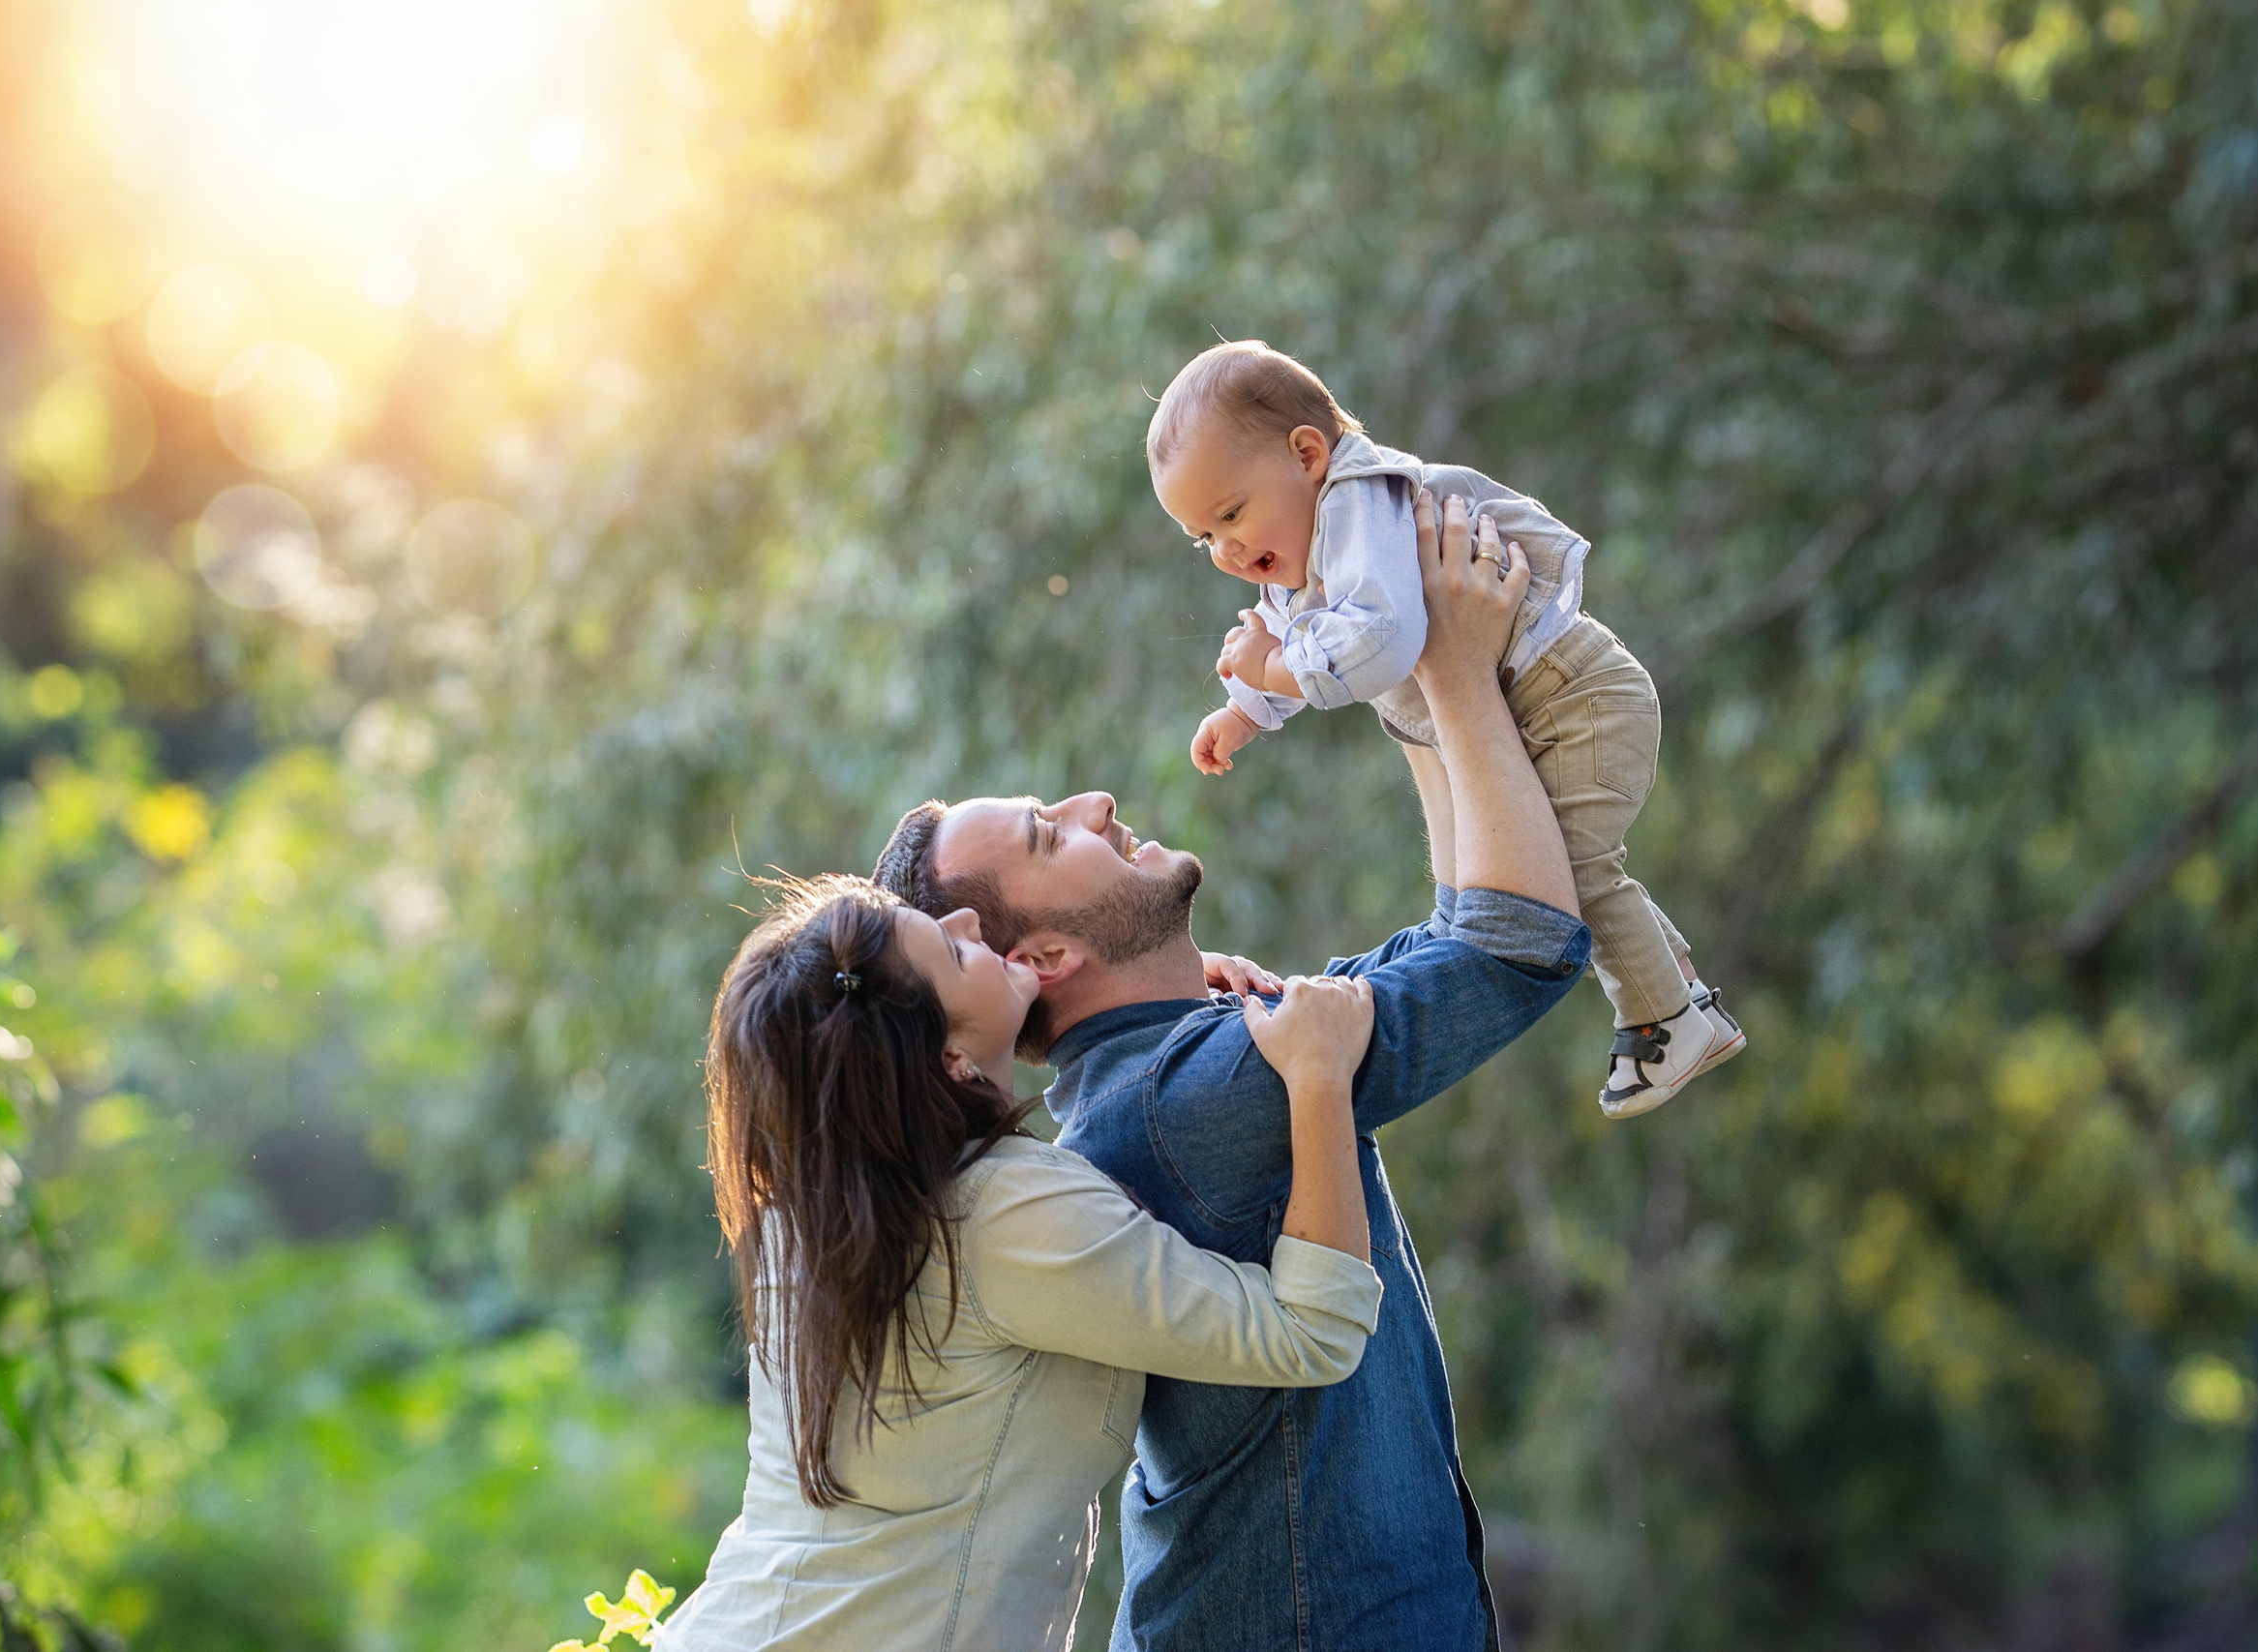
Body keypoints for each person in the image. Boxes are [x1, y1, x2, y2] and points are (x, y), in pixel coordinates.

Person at [872, 495, 1593, 1650]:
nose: (1094, 802)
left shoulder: (1189, 1064)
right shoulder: (1194, 1099)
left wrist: (1411, 679)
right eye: (1053, 835)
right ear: (1042, 957)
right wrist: (1447, 672)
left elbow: (1452, 938)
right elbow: (1517, 947)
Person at [657, 874, 1386, 1652]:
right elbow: (1314, 1330)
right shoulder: (1000, 1213)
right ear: (948, 1059)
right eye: (953, 946)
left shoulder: (809, 1216)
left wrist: (1162, 999)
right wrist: (1317, 1074)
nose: (967, 917)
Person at [1155, 339, 1743, 1117]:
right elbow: (1300, 639)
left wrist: (1270, 669)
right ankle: (1684, 997)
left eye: (1230, 514)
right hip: (1552, 707)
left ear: (1306, 454)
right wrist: (1246, 709)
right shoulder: (1305, 543)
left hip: (1578, 702)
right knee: (1572, 865)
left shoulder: (1361, 509)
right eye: (1205, 538)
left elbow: (1377, 643)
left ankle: (1664, 1021)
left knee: (1568, 875)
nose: (1227, 550)